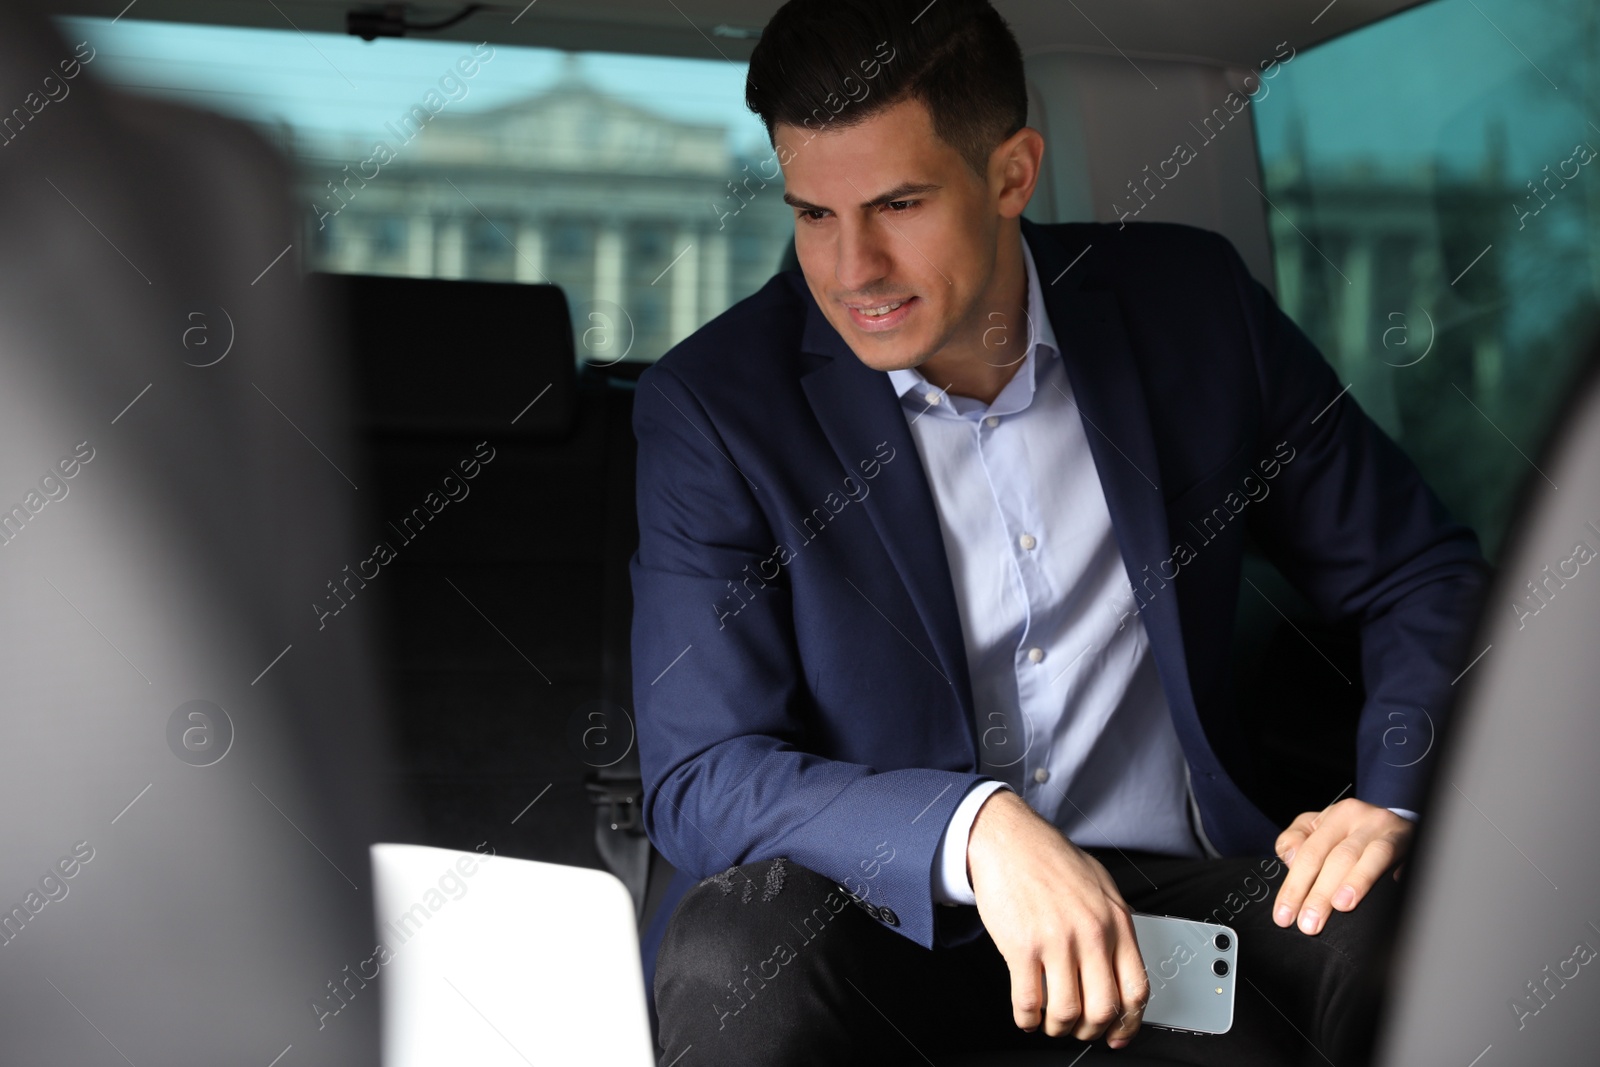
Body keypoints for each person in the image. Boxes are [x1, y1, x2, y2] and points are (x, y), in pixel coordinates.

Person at [629, 1, 1490, 1063]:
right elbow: (703, 774)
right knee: (733, 943)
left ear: (1011, 174)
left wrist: (1394, 800)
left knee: (1410, 926)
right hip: (894, 924)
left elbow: (1417, 572)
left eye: (897, 203)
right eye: (813, 213)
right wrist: (974, 826)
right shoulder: (717, 404)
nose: (852, 269)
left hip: (1178, 920)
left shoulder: (1192, 306)